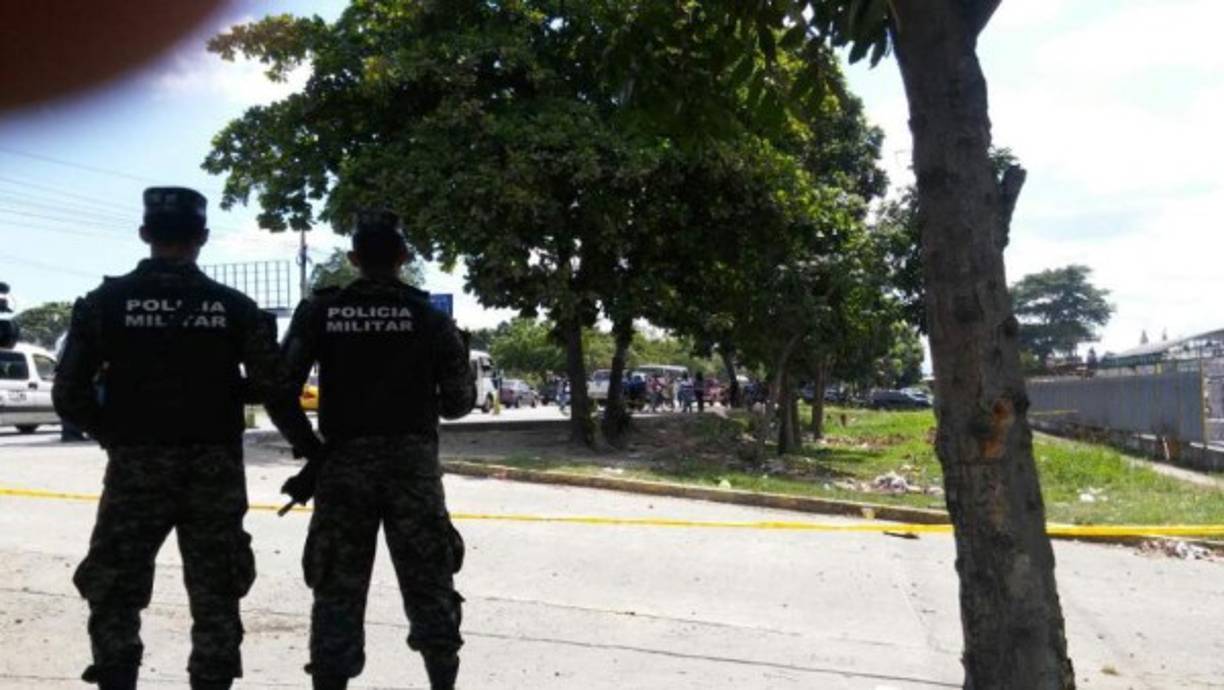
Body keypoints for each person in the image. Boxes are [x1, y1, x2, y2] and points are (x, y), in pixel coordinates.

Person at [53, 187, 323, 690]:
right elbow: (276, 389)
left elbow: (68, 394)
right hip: (213, 474)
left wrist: (117, 437)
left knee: (115, 589)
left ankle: (116, 677)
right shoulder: (234, 308)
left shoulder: (104, 304)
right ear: (202, 236)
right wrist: (312, 451)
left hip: (135, 470)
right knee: (216, 592)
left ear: (145, 234)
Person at [278, 209, 474, 690]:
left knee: (336, 591)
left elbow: (279, 389)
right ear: (403, 257)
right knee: (430, 583)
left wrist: (312, 449)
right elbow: (458, 404)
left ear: (354, 258)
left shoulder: (322, 310)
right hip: (413, 472)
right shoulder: (429, 316)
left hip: (342, 468)